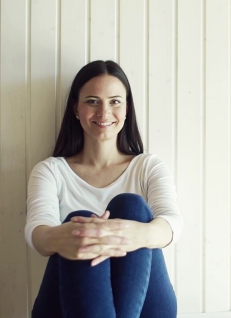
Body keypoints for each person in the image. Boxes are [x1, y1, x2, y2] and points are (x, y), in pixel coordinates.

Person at [25, 60, 182, 318]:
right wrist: (77, 236)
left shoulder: (148, 166)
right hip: (66, 306)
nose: (104, 112)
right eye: (92, 101)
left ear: (127, 109)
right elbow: (38, 231)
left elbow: (173, 223)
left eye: (115, 101)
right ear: (76, 108)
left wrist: (133, 233)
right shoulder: (51, 171)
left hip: (148, 307)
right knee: (83, 221)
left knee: (131, 206)